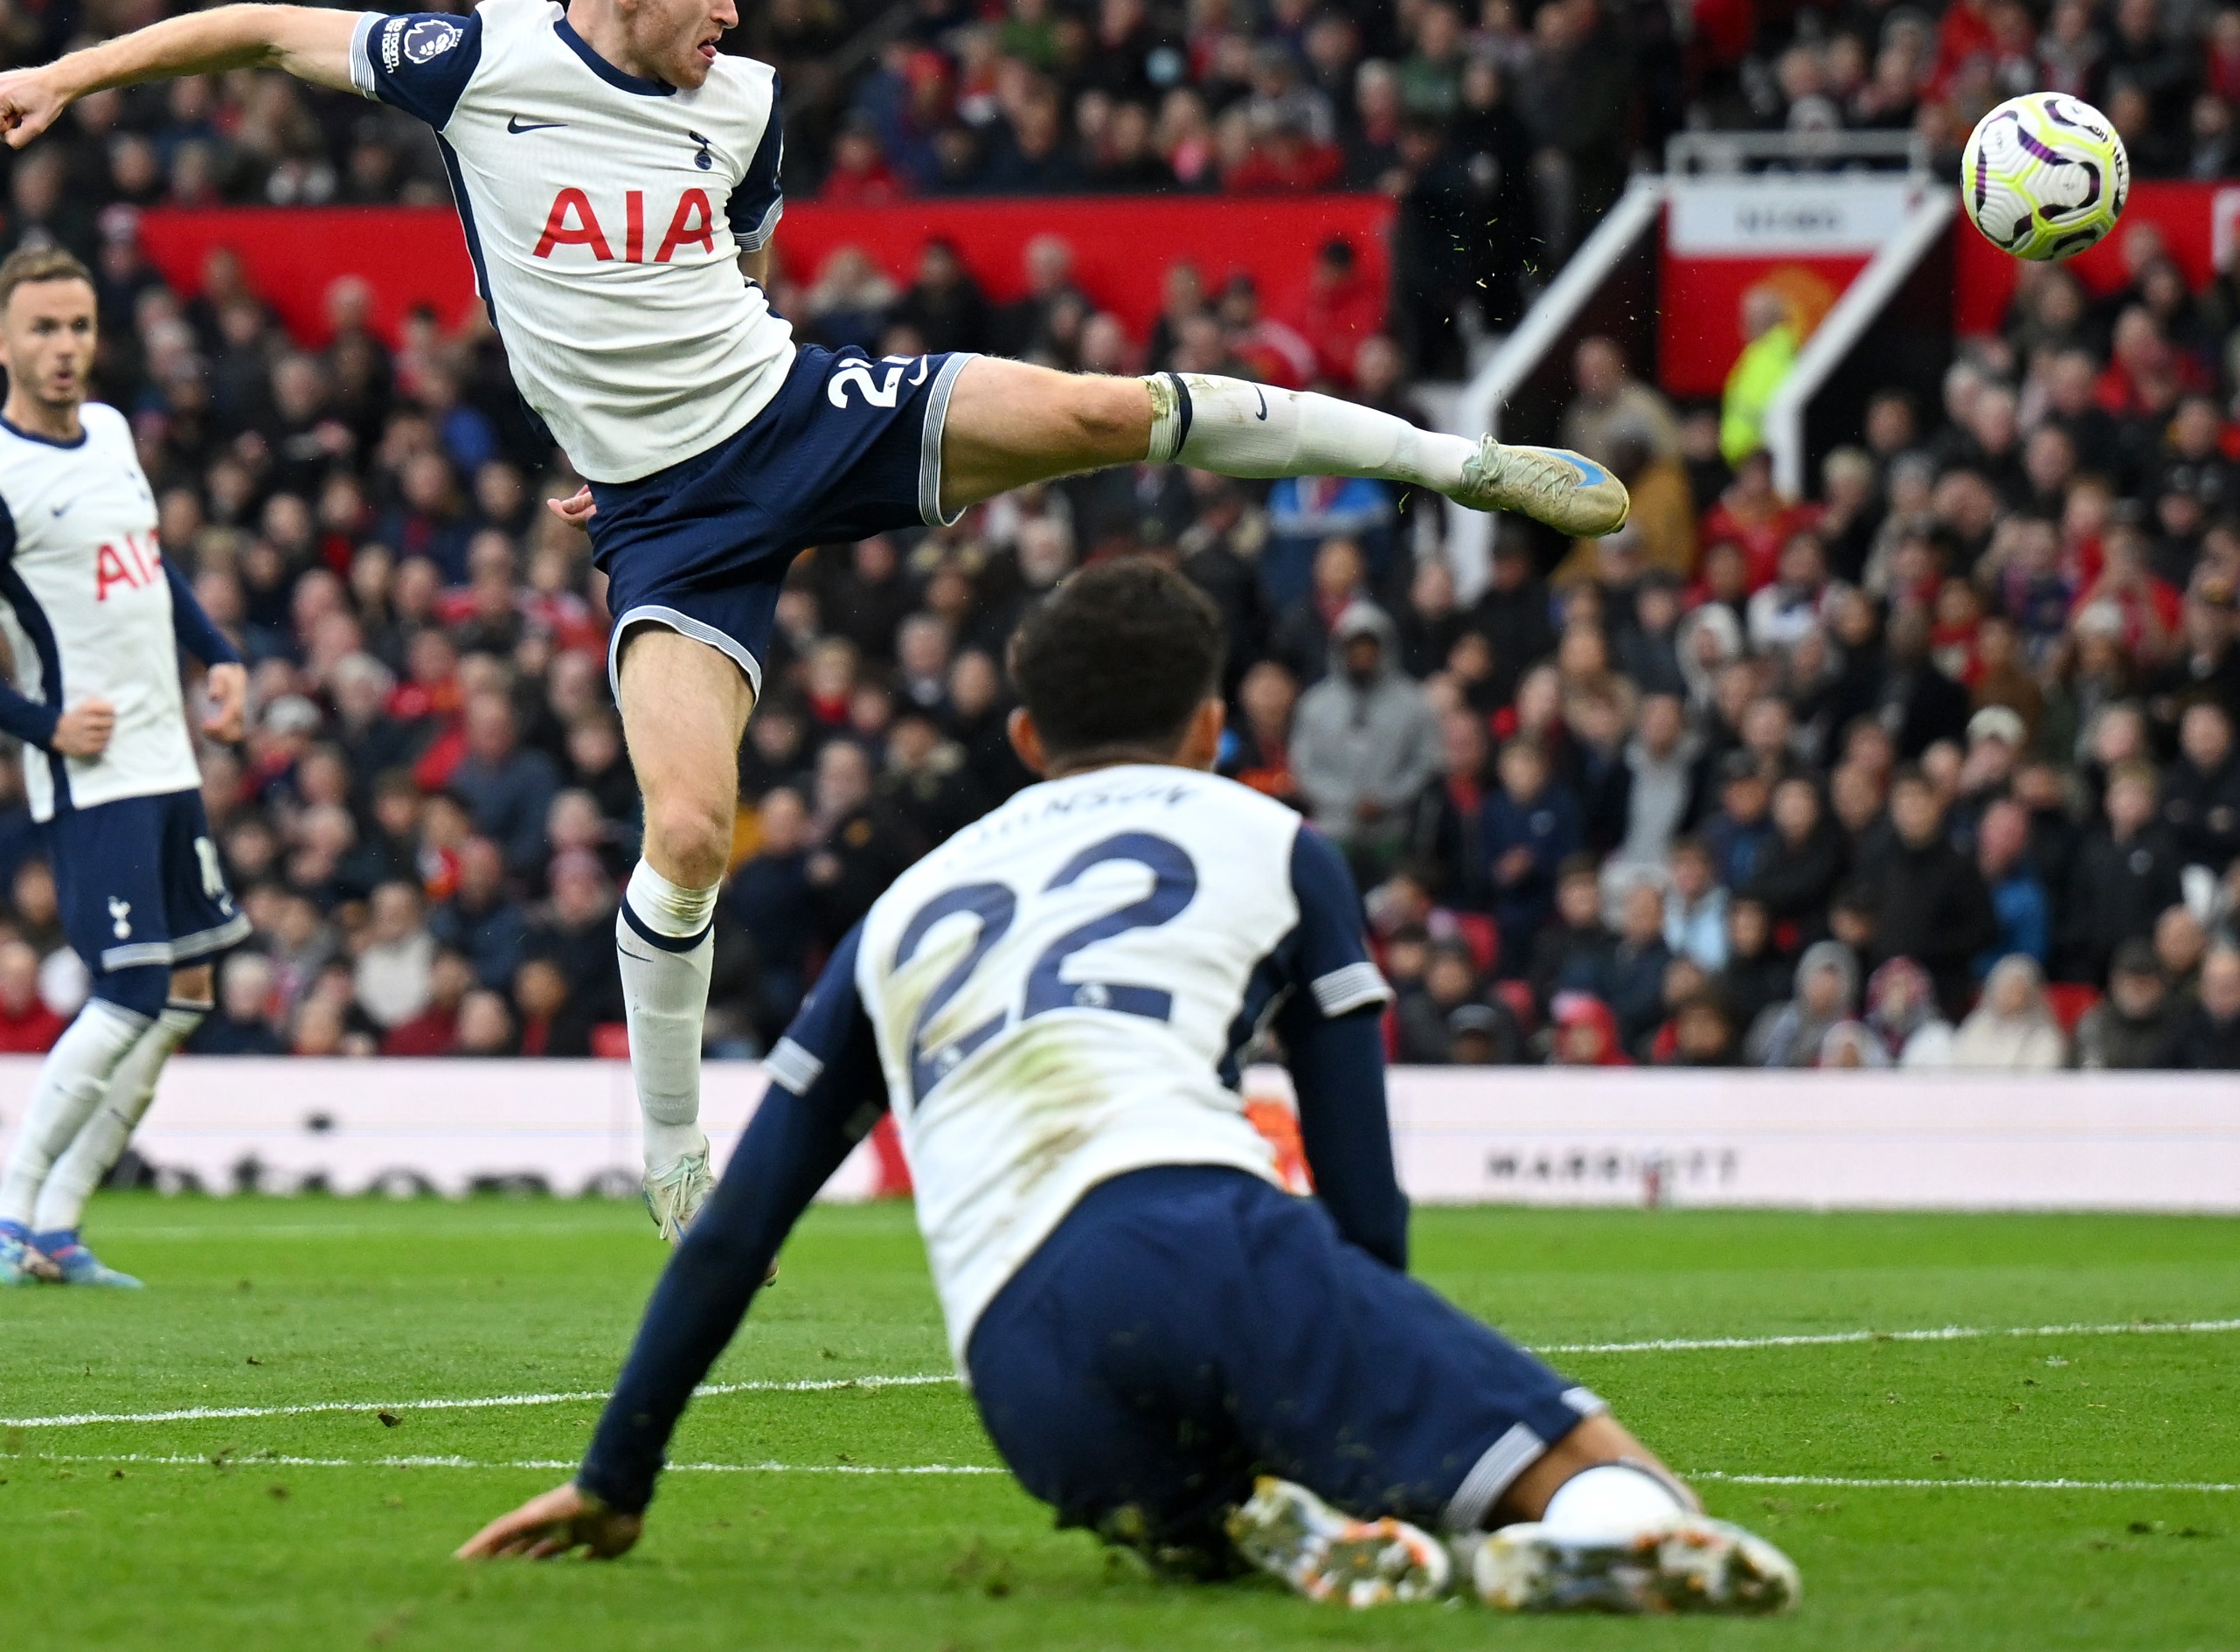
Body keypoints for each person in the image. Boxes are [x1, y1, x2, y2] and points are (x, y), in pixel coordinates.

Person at [0, 0, 1632, 1244]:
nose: (732, 9)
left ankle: (1462, 463)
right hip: (668, 522)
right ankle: (675, 1152)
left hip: (795, 414)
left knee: (1101, 407)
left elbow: (739, 263)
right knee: (687, 829)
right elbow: (260, 33)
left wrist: (655, 382)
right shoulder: (481, 60)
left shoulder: (747, 106)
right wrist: (68, 73)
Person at [454, 561, 1796, 1615]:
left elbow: (736, 1230)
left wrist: (612, 1477)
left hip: (1022, 1372)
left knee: (1198, 1507)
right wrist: (1346, 1355)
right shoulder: (1273, 840)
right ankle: (1602, 1534)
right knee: (1597, 1470)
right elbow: (1362, 1190)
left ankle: (1234, 1517)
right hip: (1200, 1233)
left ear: (1027, 734)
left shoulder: (901, 907)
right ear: (1213, 726)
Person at [0, 245, 252, 1289]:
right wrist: (43, 723)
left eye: (81, 327)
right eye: (44, 330)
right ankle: (4, 1213)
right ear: (0, 340)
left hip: (164, 754)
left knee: (184, 990)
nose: (65, 349)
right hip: (93, 772)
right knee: (132, 988)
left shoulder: (107, 433)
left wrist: (219, 655)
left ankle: (59, 1221)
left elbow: (147, 562)